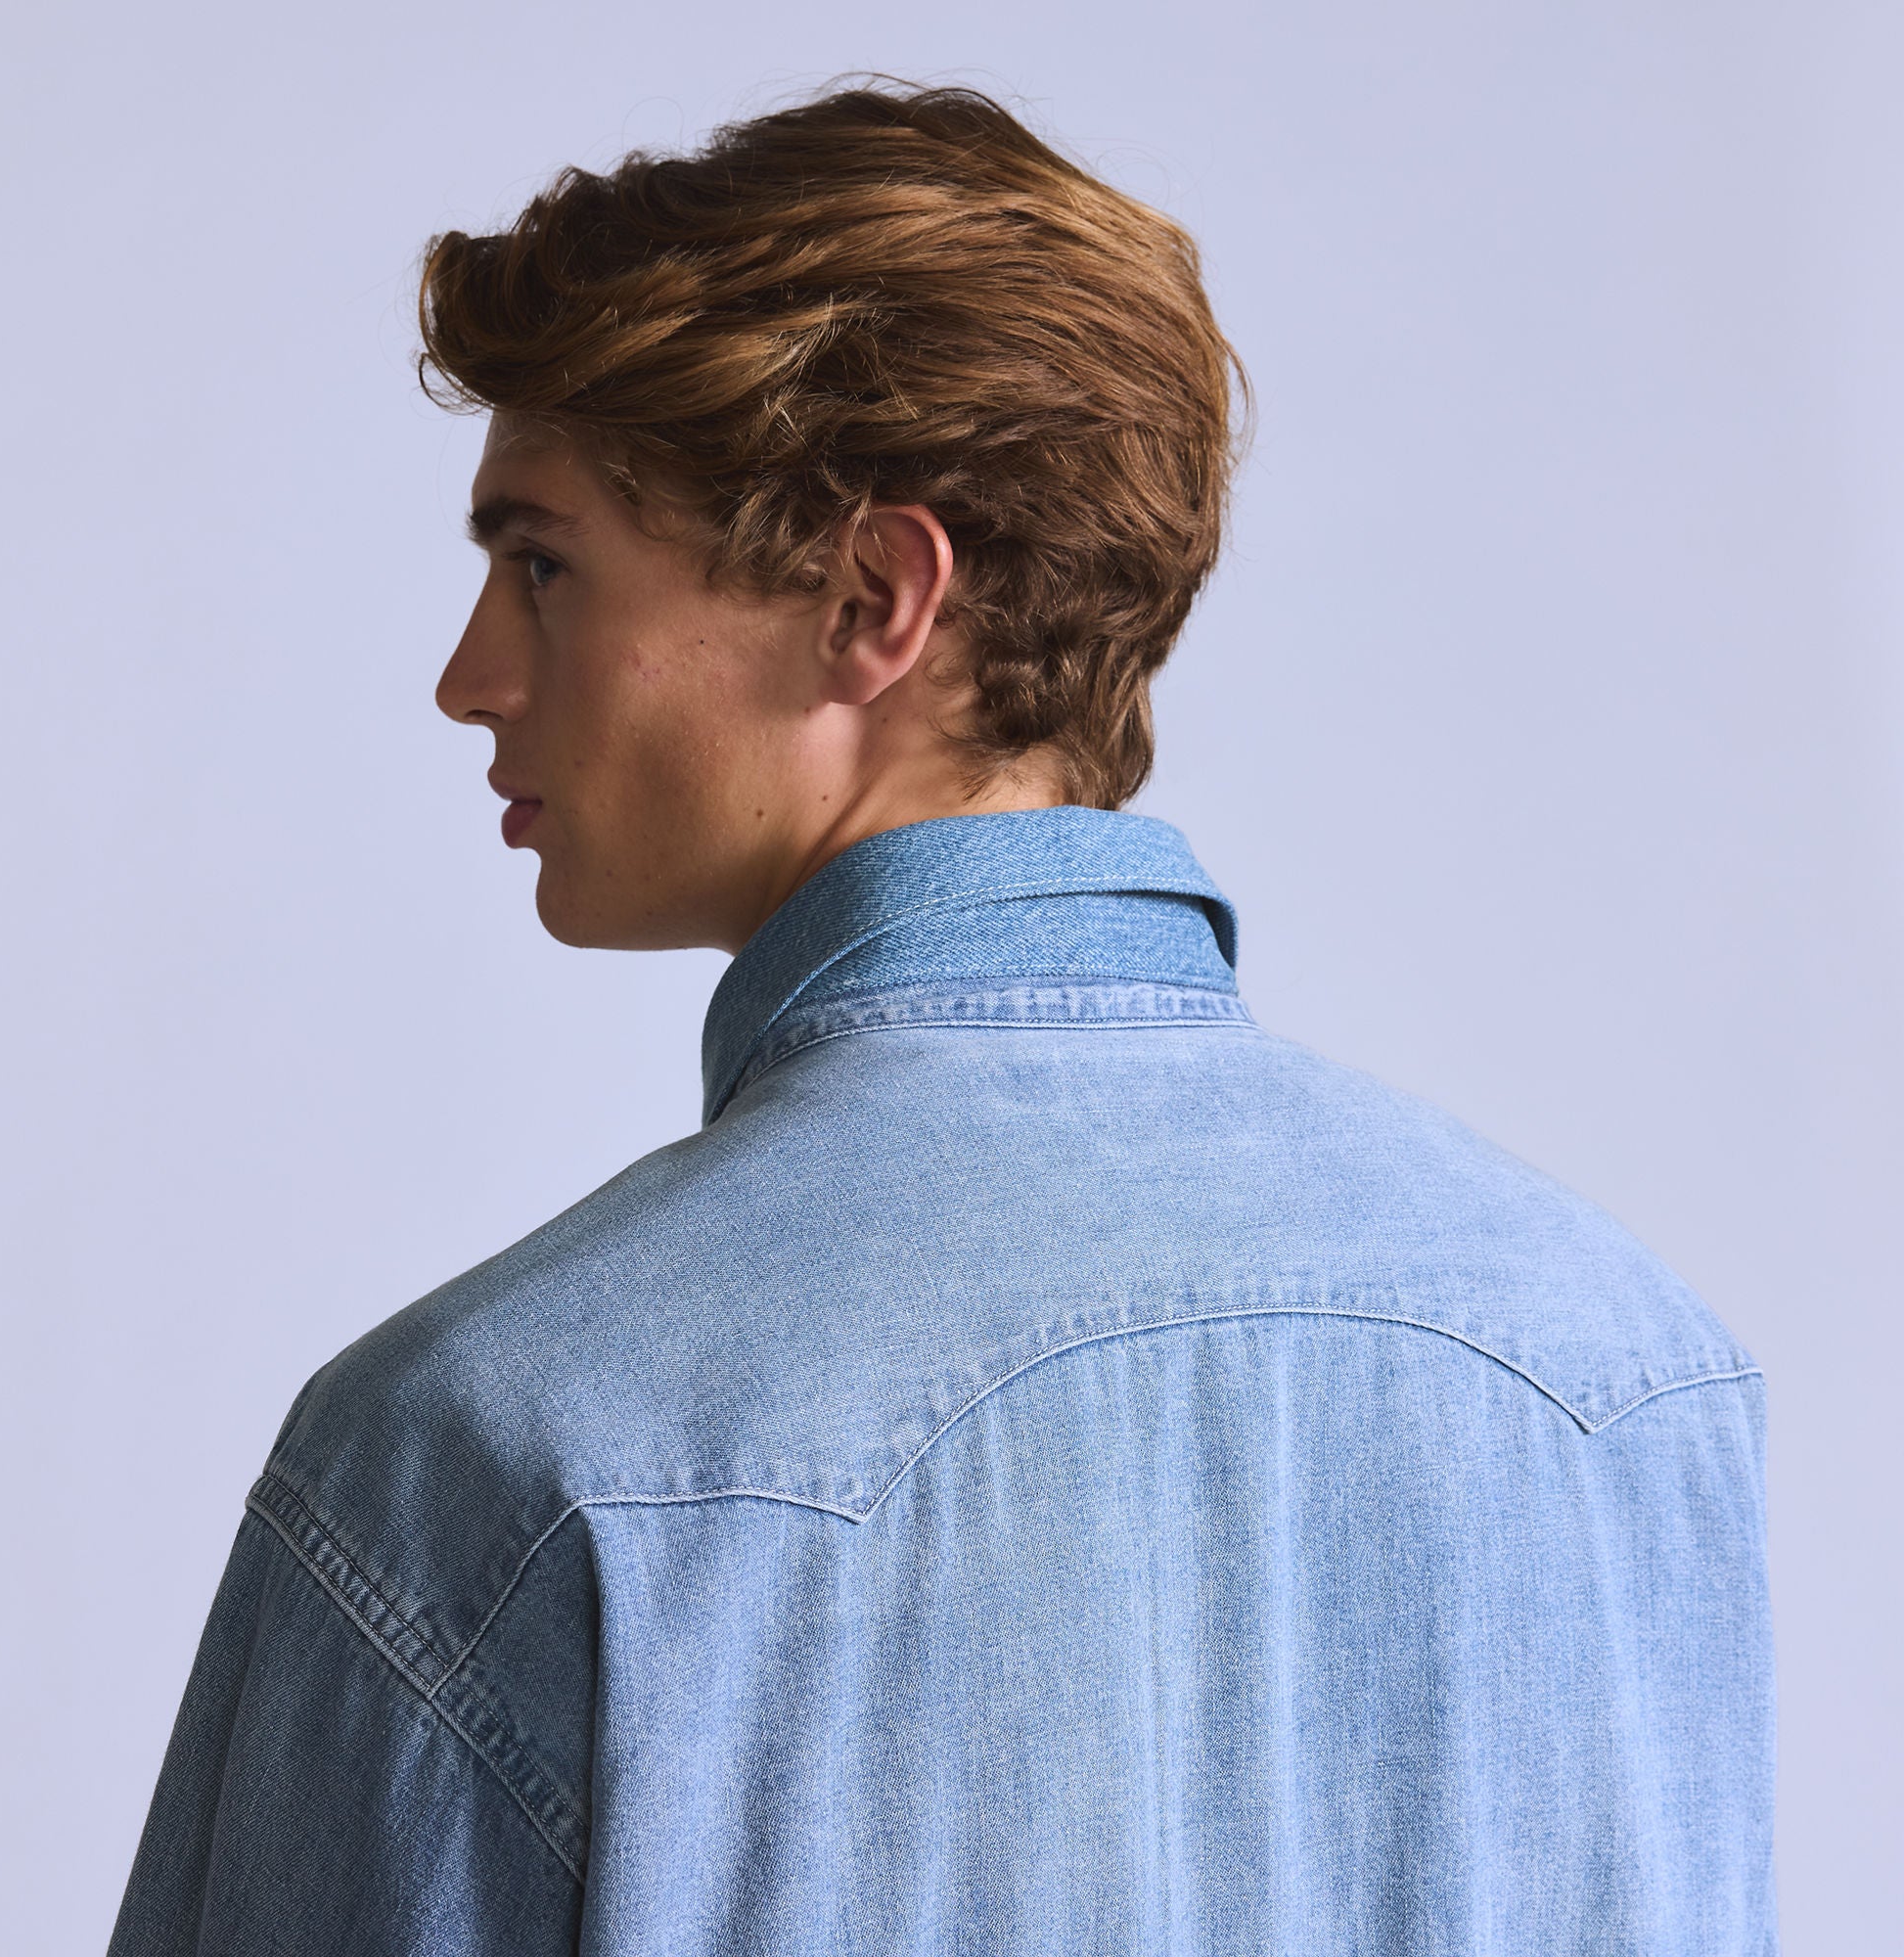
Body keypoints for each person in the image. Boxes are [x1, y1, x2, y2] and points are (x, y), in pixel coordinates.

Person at [109, 82, 1777, 1957]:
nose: (468, 676)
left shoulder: (503, 1456)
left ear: (873, 596)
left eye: (543, 565)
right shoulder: (1631, 1374)